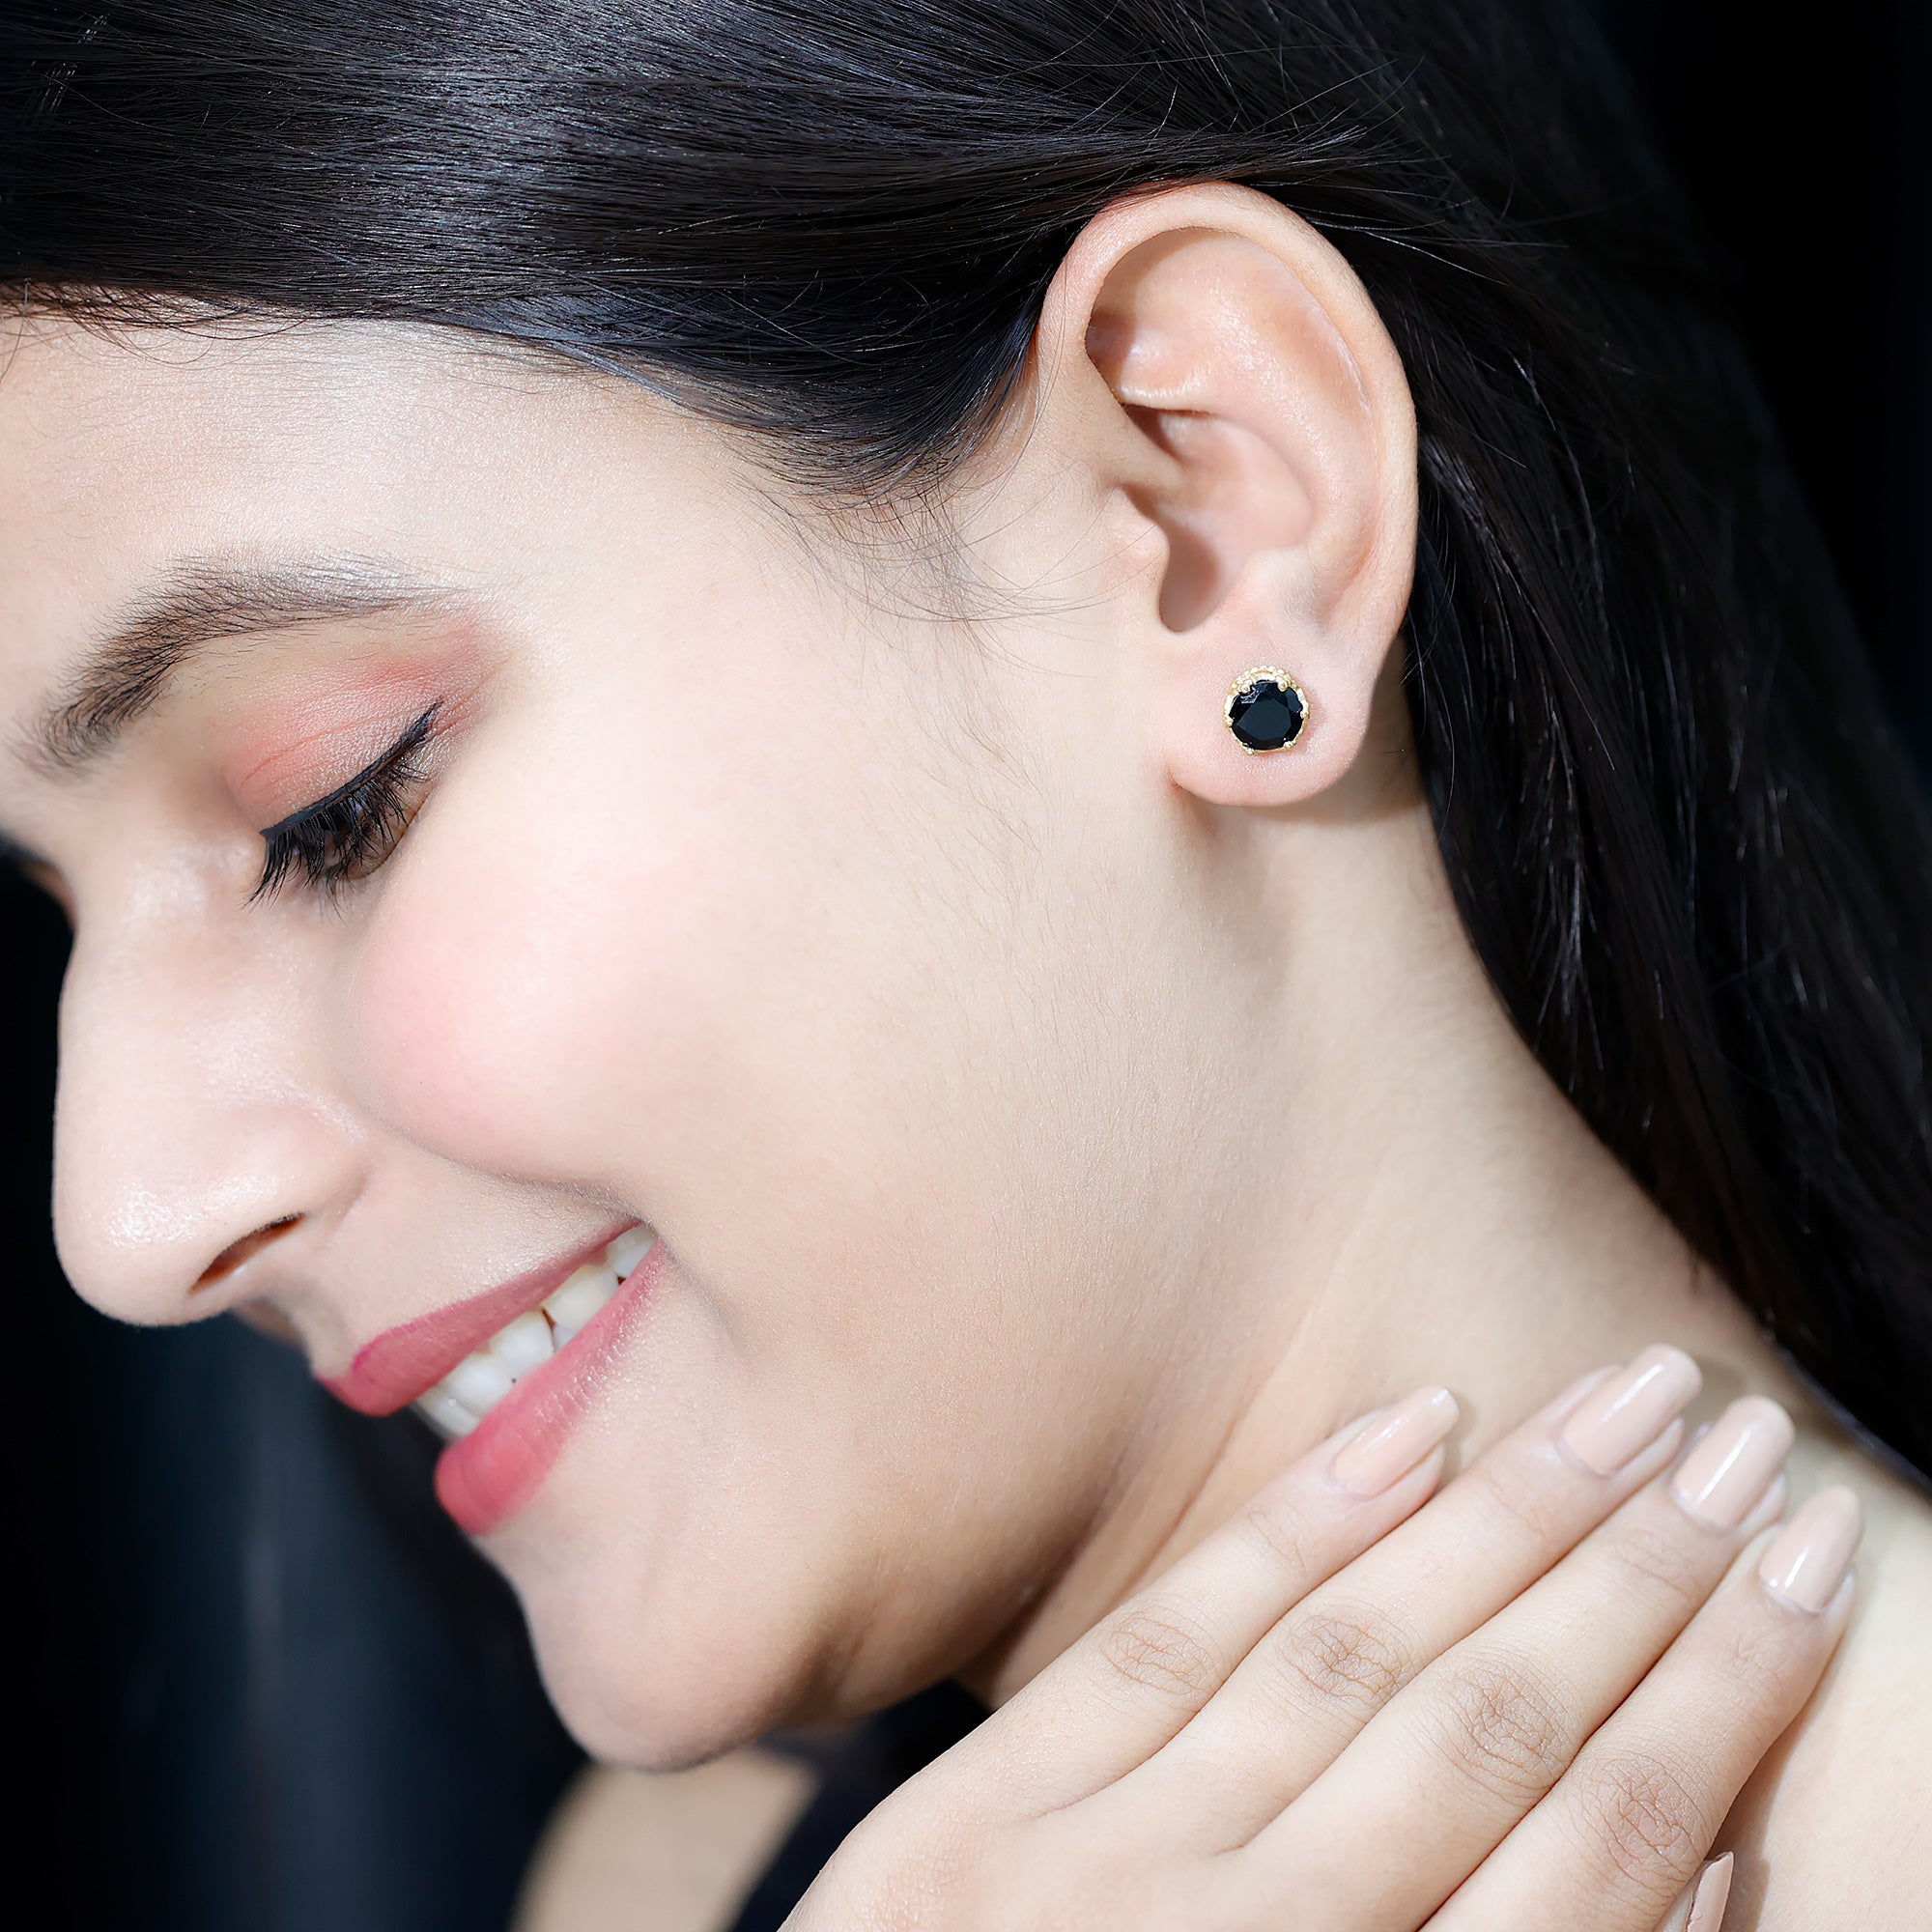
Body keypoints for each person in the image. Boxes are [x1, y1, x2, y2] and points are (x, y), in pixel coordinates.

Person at [3, 3, 1927, 1926]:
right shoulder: (671, 1887)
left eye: (328, 807)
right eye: (60, 912)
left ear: (1206, 514)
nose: (123, 1221)